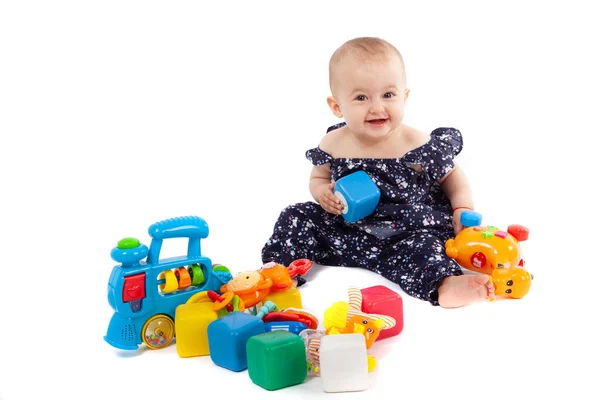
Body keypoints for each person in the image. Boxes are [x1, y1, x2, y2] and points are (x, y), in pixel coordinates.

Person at [261, 37, 494, 308]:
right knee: (296, 214)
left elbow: (452, 177)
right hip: (348, 230)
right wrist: (322, 192)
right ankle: (280, 272)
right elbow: (319, 177)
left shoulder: (415, 143)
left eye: (388, 95)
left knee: (424, 249)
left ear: (404, 97)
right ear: (337, 106)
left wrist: (461, 209)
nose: (377, 107)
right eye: (361, 97)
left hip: (406, 231)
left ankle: (444, 283)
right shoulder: (333, 143)